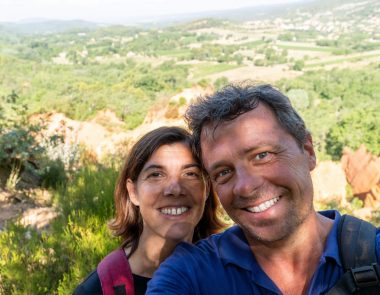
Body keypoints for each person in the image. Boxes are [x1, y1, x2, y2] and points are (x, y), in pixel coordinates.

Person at [147, 84, 380, 294]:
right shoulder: (191, 274)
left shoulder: (372, 252)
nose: (246, 187)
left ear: (308, 151)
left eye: (262, 155)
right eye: (223, 172)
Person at [73, 126, 225, 295]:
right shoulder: (98, 289)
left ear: (207, 189)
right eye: (156, 175)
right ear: (133, 192)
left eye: (190, 173)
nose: (175, 189)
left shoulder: (229, 272)